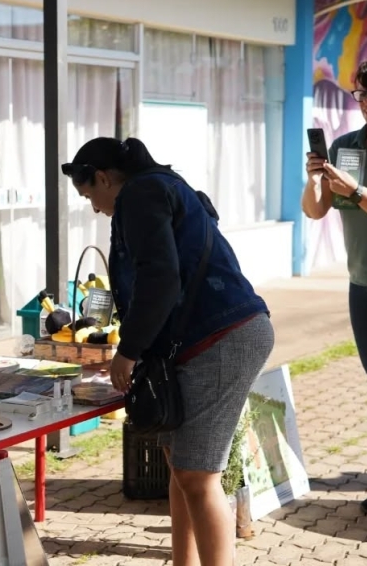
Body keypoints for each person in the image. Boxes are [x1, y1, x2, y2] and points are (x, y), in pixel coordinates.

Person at [62, 137, 273, 566]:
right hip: (209, 336)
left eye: (90, 195)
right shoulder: (162, 187)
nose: (95, 208)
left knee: (197, 476)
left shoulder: (140, 194)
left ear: (104, 178)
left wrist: (129, 351)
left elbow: (160, 278)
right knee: (179, 465)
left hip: (221, 337)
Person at [303, 60, 367, 513]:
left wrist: (358, 191)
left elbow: (356, 197)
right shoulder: (348, 146)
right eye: (360, 96)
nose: (362, 104)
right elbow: (316, 211)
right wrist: (315, 179)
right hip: (361, 285)